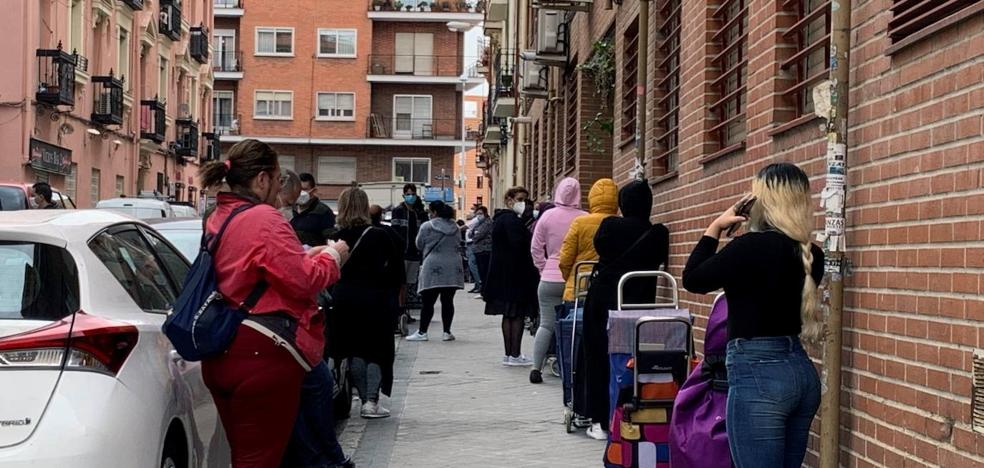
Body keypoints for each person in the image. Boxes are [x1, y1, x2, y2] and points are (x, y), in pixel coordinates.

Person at [197, 139, 349, 467]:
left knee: (246, 453)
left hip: (222, 348)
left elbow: (254, 267)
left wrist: (305, 254)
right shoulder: (263, 218)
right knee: (261, 459)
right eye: (279, 179)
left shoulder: (218, 215)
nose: (279, 187)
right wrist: (334, 257)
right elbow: (304, 280)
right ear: (262, 180)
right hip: (261, 351)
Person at [681, 162, 824, 468]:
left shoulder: (747, 248)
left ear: (762, 201)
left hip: (759, 376)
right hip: (800, 371)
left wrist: (715, 227)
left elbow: (693, 279)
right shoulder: (814, 255)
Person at [580, 180, 669, 440]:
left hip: (603, 300)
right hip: (639, 305)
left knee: (597, 357)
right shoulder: (658, 233)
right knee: (634, 362)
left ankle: (600, 419)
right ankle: (634, 415)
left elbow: (600, 247)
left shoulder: (610, 226)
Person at [328, 188, 404, 419]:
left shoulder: (335, 236)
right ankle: (371, 401)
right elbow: (395, 271)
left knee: (354, 350)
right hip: (375, 298)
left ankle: (361, 397)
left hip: (343, 298)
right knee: (377, 349)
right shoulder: (380, 235)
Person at [529, 178, 585, 384]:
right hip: (576, 278)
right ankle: (570, 368)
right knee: (575, 326)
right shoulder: (584, 218)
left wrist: (544, 268)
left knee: (546, 324)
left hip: (549, 277)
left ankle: (536, 367)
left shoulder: (547, 217)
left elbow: (535, 247)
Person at [483, 187, 540, 366]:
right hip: (515, 274)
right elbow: (520, 244)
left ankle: (510, 354)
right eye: (520, 199)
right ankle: (514, 354)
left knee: (509, 315)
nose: (523, 203)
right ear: (509, 200)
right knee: (516, 315)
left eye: (525, 199)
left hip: (504, 274)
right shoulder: (511, 220)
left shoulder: (500, 219)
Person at [406, 201, 465, 342]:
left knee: (428, 301)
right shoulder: (455, 227)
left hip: (433, 266)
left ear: (434, 212)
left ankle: (422, 332)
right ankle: (447, 332)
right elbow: (459, 243)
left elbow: (419, 244)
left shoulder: (427, 226)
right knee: (448, 301)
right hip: (453, 267)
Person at [557, 178, 618, 303]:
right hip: (609, 286)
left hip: (580, 284)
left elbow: (565, 257)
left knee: (575, 321)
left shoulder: (580, 222)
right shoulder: (619, 223)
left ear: (592, 198)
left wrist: (568, 276)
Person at [390, 184, 428, 319]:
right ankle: (399, 311)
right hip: (403, 253)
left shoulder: (418, 212)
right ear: (404, 195)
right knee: (401, 283)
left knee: (409, 284)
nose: (410, 196)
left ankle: (405, 311)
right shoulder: (398, 211)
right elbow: (395, 232)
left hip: (415, 253)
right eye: (408, 194)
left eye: (412, 194)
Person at [291, 173, 337, 246]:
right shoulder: (289, 210)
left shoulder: (323, 212)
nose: (300, 193)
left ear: (313, 191)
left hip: (313, 255)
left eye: (304, 189)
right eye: (298, 189)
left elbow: (331, 237)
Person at [470, 206, 493, 297]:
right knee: (481, 270)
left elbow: (479, 235)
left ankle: (485, 291)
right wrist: (474, 234)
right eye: (477, 214)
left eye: (480, 213)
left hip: (485, 249)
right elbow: (471, 233)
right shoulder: (478, 223)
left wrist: (475, 234)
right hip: (479, 249)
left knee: (484, 271)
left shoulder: (488, 222)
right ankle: (483, 290)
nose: (478, 216)